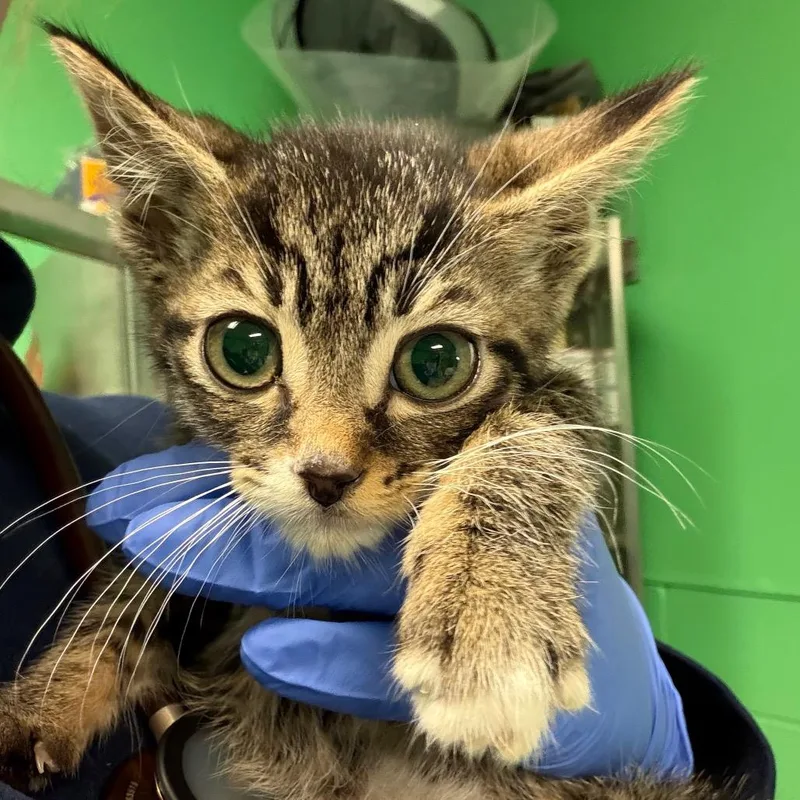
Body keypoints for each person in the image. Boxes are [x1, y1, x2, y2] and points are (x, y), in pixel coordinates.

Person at [0, 236, 774, 799]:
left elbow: (549, 408)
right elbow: (141, 616)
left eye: (430, 362)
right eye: (246, 352)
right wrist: (53, 703)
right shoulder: (164, 463)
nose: (326, 457)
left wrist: (505, 520)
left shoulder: (109, 439)